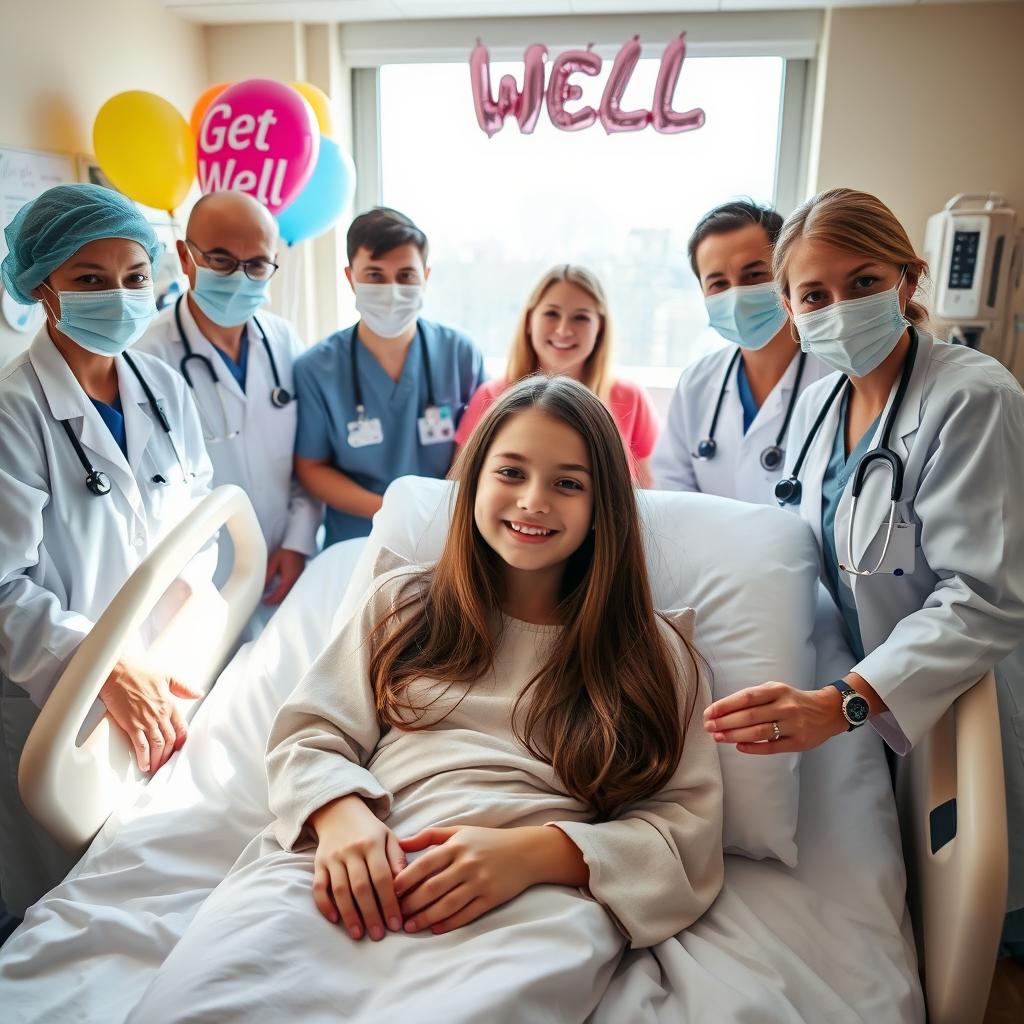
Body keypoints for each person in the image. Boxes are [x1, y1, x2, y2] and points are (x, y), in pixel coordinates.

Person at [124, 377, 724, 1023]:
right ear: (472, 485)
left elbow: (685, 831)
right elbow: (308, 735)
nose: (533, 501)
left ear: (605, 505)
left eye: (568, 484)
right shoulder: (403, 605)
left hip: (529, 895)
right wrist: (340, 816)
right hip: (353, 858)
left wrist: (535, 855)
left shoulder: (654, 652)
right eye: (511, 472)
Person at [702, 187, 1024, 932]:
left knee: (979, 920)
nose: (838, 307)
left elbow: (983, 596)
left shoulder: (975, 398)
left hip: (949, 696)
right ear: (791, 307)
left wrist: (844, 702)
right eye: (815, 293)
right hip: (864, 698)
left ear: (908, 280)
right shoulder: (823, 404)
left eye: (864, 283)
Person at [0, 184, 214, 916]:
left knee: (153, 886)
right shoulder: (12, 412)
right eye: (90, 279)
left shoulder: (160, 385)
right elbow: (3, 590)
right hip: (53, 706)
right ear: (42, 286)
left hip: (164, 676)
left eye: (133, 277)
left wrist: (176, 648)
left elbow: (199, 523)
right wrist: (103, 668)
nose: (119, 296)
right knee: (61, 909)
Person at [137, 191, 320, 617]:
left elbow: (309, 459)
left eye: (256, 264)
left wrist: (297, 541)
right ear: (185, 258)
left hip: (283, 565)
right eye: (220, 259)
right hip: (196, 583)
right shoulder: (145, 358)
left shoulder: (284, 341)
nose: (240, 277)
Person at [293, 208, 486, 545]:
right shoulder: (317, 369)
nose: (392, 289)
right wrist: (390, 510)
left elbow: (481, 448)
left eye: (406, 275)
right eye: (375, 275)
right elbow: (312, 468)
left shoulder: (460, 355)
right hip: (357, 540)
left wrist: (435, 511)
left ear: (425, 276)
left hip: (445, 533)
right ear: (351, 278)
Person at [652, 200, 830, 504]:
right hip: (707, 549)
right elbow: (673, 494)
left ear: (787, 276)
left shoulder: (836, 375)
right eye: (718, 283)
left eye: (754, 275)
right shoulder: (696, 383)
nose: (735, 295)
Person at [455, 264, 659, 485]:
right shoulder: (491, 396)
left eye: (580, 317)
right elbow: (460, 485)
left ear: (600, 328)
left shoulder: (631, 398)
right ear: (529, 321)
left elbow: (650, 495)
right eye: (551, 313)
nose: (563, 330)